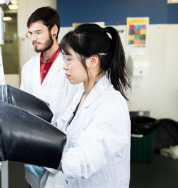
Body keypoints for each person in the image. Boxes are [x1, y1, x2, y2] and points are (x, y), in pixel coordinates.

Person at [52, 23, 131, 187]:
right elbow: (60, 127)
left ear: (93, 60)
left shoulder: (112, 104)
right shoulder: (81, 96)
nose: (64, 66)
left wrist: (34, 153)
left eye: (68, 59)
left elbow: (83, 160)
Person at [20, 6, 80, 188]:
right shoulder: (28, 67)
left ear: (54, 30)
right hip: (32, 149)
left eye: (38, 32)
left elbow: (73, 113)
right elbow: (22, 108)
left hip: (60, 154)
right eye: (30, 33)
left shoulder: (71, 65)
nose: (33, 39)